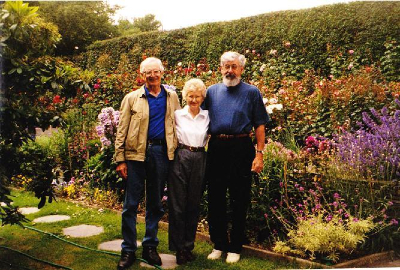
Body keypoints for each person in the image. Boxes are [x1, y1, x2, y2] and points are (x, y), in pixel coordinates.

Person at [114, 57, 180, 270]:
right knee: (130, 204)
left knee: (155, 204)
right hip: (135, 156)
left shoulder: (172, 97)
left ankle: (150, 247)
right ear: (142, 75)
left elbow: (177, 124)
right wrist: (120, 159)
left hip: (161, 153)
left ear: (162, 73)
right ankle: (128, 249)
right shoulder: (132, 98)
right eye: (147, 72)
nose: (152, 76)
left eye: (155, 72)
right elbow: (121, 130)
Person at [203, 51, 270, 263]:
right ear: (221, 68)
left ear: (241, 69)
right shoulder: (211, 92)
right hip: (216, 148)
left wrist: (259, 154)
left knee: (239, 199)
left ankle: (235, 247)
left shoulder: (251, 92)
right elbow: (198, 118)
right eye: (226, 66)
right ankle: (219, 244)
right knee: (215, 198)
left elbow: (260, 124)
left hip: (241, 147)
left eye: (234, 66)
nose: (230, 70)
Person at [167, 78, 209, 265]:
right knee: (178, 204)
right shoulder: (177, 115)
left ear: (202, 97)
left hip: (200, 157)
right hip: (181, 156)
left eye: (197, 96)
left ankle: (188, 246)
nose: (194, 100)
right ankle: (178, 249)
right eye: (190, 96)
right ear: (185, 96)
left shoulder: (207, 116)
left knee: (193, 203)